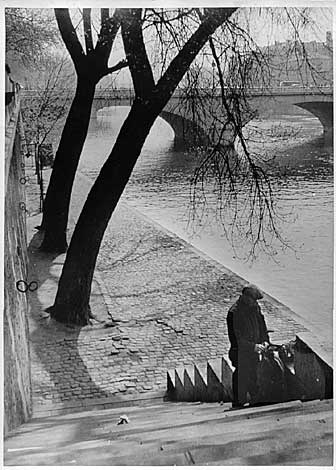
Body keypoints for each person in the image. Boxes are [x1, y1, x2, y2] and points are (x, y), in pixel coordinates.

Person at [226, 284, 270, 408]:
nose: (255, 303)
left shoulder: (255, 307)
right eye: (253, 300)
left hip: (255, 349)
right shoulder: (234, 313)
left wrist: (265, 340)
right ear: (245, 297)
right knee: (241, 375)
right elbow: (236, 338)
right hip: (241, 352)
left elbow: (262, 325)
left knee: (253, 374)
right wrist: (253, 347)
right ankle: (238, 402)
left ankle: (256, 400)